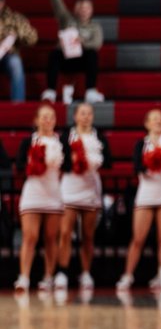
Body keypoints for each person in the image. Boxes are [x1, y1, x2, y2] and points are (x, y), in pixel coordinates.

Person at [116, 109, 161, 292]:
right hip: (146, 193)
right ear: (147, 123)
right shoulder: (141, 144)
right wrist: (154, 160)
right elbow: (137, 167)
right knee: (138, 238)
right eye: (154, 119)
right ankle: (127, 275)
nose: (158, 122)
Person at [57, 102, 111, 292]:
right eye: (82, 113)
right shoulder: (66, 136)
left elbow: (108, 161)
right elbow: (59, 159)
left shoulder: (99, 137)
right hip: (70, 187)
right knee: (65, 233)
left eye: (89, 113)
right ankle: (62, 271)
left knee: (88, 235)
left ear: (93, 117)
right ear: (75, 116)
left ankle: (86, 272)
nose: (86, 116)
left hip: (90, 188)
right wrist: (72, 161)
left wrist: (93, 161)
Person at [14, 103, 65, 292]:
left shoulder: (61, 142)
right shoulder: (28, 141)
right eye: (43, 116)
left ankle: (48, 277)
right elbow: (18, 167)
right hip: (33, 192)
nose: (47, 120)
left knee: (51, 237)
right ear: (36, 120)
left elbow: (67, 168)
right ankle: (24, 277)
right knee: (30, 236)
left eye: (51, 116)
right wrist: (31, 163)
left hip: (54, 193)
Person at [41, 0, 105, 104]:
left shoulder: (95, 27)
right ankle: (50, 91)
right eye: (81, 7)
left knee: (93, 54)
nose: (84, 10)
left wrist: (83, 42)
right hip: (65, 58)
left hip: (83, 60)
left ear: (91, 10)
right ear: (75, 9)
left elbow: (97, 44)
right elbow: (57, 5)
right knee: (54, 53)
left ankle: (91, 91)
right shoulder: (67, 19)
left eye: (87, 7)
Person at [0, 0, 38, 102]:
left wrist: (19, 33)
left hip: (8, 56)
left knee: (16, 62)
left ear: (2, 3)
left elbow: (33, 39)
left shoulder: (15, 18)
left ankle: (18, 106)